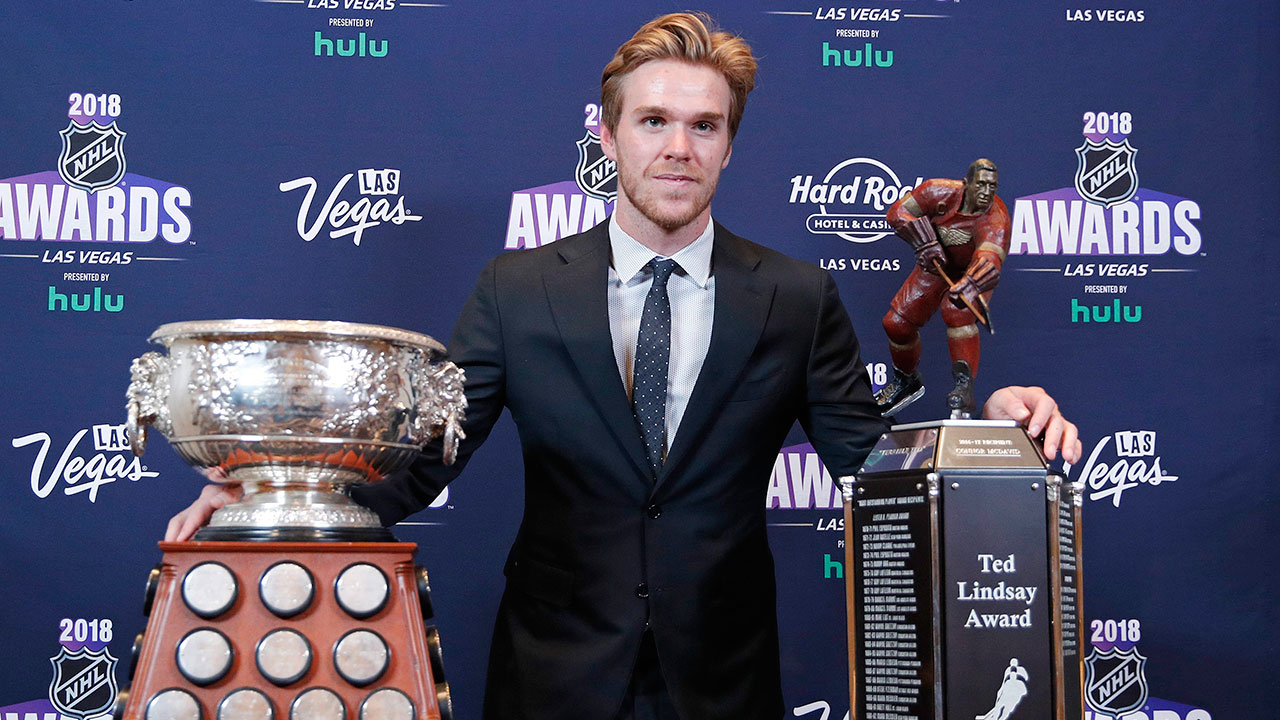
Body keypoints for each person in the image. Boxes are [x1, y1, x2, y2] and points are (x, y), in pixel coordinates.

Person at [167, 13, 1080, 720]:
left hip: (724, 679)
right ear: (609, 138)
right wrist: (277, 504)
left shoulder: (796, 296)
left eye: (704, 126)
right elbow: (429, 461)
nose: (679, 147)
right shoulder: (517, 288)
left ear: (729, 145)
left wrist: (988, 438)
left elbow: (872, 469)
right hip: (552, 674)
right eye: (654, 122)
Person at [874, 159, 1010, 415]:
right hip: (935, 266)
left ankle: (964, 388)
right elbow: (897, 212)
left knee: (957, 310)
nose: (986, 192)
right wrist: (924, 242)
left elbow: (989, 260)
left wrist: (970, 285)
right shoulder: (935, 191)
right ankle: (906, 381)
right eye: (980, 184)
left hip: (969, 273)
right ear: (966, 183)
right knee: (896, 324)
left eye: (992, 186)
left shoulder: (996, 217)